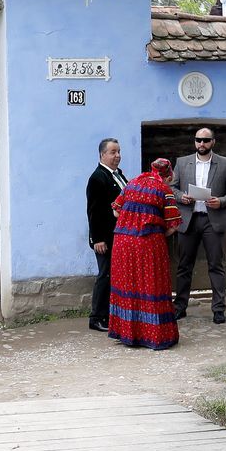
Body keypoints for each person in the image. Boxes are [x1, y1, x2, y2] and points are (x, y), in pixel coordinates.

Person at [108, 158, 183, 350]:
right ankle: (153, 336)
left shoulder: (131, 183)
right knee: (152, 285)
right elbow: (173, 224)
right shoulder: (164, 190)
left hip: (123, 244)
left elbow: (116, 212)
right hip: (149, 243)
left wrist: (131, 222)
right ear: (168, 175)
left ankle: (127, 334)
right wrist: (157, 231)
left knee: (128, 285)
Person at [170, 127, 226, 324]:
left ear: (213, 142)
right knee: (184, 266)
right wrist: (180, 197)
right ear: (194, 142)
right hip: (189, 218)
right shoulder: (183, 162)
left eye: (206, 140)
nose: (202, 144)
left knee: (216, 265)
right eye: (198, 140)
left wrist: (221, 201)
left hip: (213, 220)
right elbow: (171, 187)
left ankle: (219, 309)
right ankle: (180, 307)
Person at [86, 138, 127, 332]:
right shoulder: (98, 177)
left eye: (118, 152)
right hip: (105, 237)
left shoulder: (118, 175)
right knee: (105, 275)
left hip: (117, 235)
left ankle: (110, 315)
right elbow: (94, 212)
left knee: (114, 275)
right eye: (113, 152)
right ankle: (97, 317)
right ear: (102, 154)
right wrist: (97, 239)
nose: (117, 156)